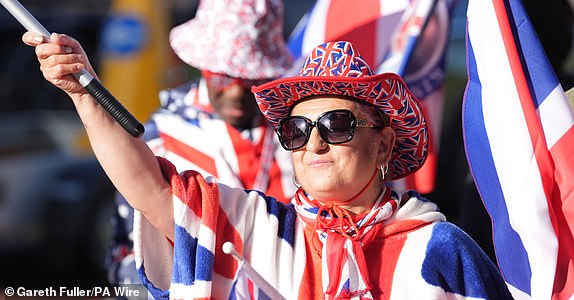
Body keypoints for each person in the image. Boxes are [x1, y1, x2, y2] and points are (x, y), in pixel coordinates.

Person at [23, 30, 513, 298]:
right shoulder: (266, 228)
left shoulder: (442, 249)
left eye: (337, 125)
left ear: (384, 147)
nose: (313, 144)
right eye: (297, 131)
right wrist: (84, 94)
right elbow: (150, 189)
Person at [106, 0, 296, 284]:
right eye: (222, 78)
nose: (235, 93)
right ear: (203, 67)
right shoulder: (162, 139)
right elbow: (126, 252)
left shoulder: (300, 132)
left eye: (250, 79)